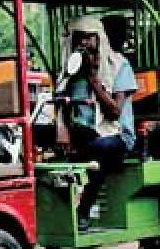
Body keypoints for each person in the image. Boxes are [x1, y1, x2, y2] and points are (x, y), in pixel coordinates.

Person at [54, 15, 137, 231]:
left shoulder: (119, 65)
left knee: (99, 150)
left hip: (117, 134)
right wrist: (61, 130)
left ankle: (84, 211)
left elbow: (115, 112)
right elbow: (60, 102)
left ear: (99, 39)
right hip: (83, 133)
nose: (84, 44)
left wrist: (93, 78)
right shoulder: (70, 70)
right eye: (79, 38)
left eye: (89, 38)